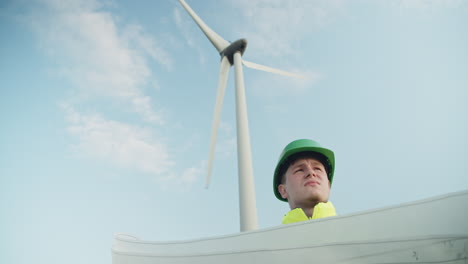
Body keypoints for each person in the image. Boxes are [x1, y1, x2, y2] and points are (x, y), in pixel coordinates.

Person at [273, 139, 336, 224]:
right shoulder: (275, 237)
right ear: (283, 190)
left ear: (328, 185)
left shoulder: (355, 229)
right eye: (299, 170)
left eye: (317, 169)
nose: (311, 173)